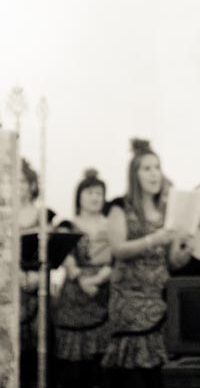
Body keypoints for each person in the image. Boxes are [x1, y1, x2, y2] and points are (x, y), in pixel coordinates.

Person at [101, 139, 190, 388]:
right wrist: (154, 238)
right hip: (128, 300)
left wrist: (184, 248)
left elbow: (172, 262)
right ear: (135, 174)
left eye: (157, 167)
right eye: (147, 168)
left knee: (157, 375)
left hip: (159, 300)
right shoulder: (120, 207)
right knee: (133, 376)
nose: (154, 174)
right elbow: (118, 249)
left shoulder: (166, 211)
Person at [55, 169, 112, 388]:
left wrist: (97, 280)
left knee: (101, 367)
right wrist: (82, 280)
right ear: (79, 195)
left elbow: (115, 259)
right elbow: (66, 258)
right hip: (73, 299)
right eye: (90, 192)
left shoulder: (111, 225)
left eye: (99, 193)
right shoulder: (67, 224)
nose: (95, 197)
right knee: (72, 369)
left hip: (104, 293)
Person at [17, 158, 56, 388]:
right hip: (10, 287)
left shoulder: (44, 215)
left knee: (37, 353)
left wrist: (37, 276)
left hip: (37, 287)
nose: (19, 185)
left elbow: (51, 253)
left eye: (24, 181)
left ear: (32, 184)